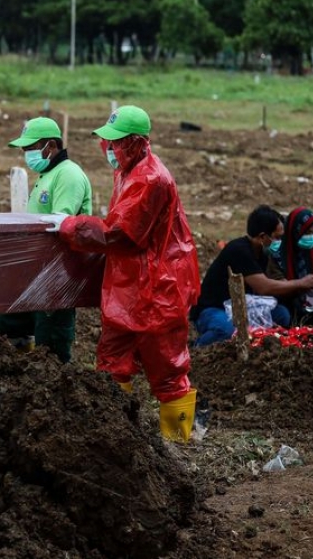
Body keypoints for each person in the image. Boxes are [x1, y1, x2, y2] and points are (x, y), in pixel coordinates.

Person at [40, 105, 200, 442]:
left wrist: (70, 226)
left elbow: (121, 234)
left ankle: (178, 440)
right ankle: (115, 435)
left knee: (167, 367)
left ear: (138, 142)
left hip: (160, 287)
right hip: (129, 285)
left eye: (117, 143)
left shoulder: (150, 178)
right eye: (108, 143)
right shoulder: (128, 171)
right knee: (112, 361)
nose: (110, 149)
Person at [0, 116, 92, 363]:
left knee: (52, 346)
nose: (26, 154)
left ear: (50, 146)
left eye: (30, 148)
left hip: (58, 275)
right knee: (4, 325)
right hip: (37, 272)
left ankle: (55, 390)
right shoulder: (48, 173)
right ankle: (20, 372)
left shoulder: (68, 175)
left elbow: (61, 224)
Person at [191, 205, 313, 346]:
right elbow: (263, 286)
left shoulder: (262, 253)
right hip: (214, 308)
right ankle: (196, 349)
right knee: (228, 332)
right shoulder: (239, 250)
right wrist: (300, 283)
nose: (279, 242)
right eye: (277, 237)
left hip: (241, 306)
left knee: (281, 314)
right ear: (263, 236)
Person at [267, 207, 313, 326]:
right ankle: (302, 323)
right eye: (306, 233)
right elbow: (278, 285)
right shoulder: (277, 253)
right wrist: (301, 284)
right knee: (291, 310)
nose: (311, 237)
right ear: (295, 231)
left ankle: (312, 322)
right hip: (287, 299)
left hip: (310, 298)